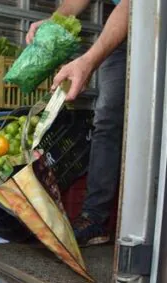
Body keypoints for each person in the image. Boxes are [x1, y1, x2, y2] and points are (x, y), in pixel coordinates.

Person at [26, 0, 129, 247]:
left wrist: (89, 60)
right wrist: (55, 22)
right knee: (106, 120)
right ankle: (93, 218)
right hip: (123, 37)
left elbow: (135, 6)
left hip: (155, 23)